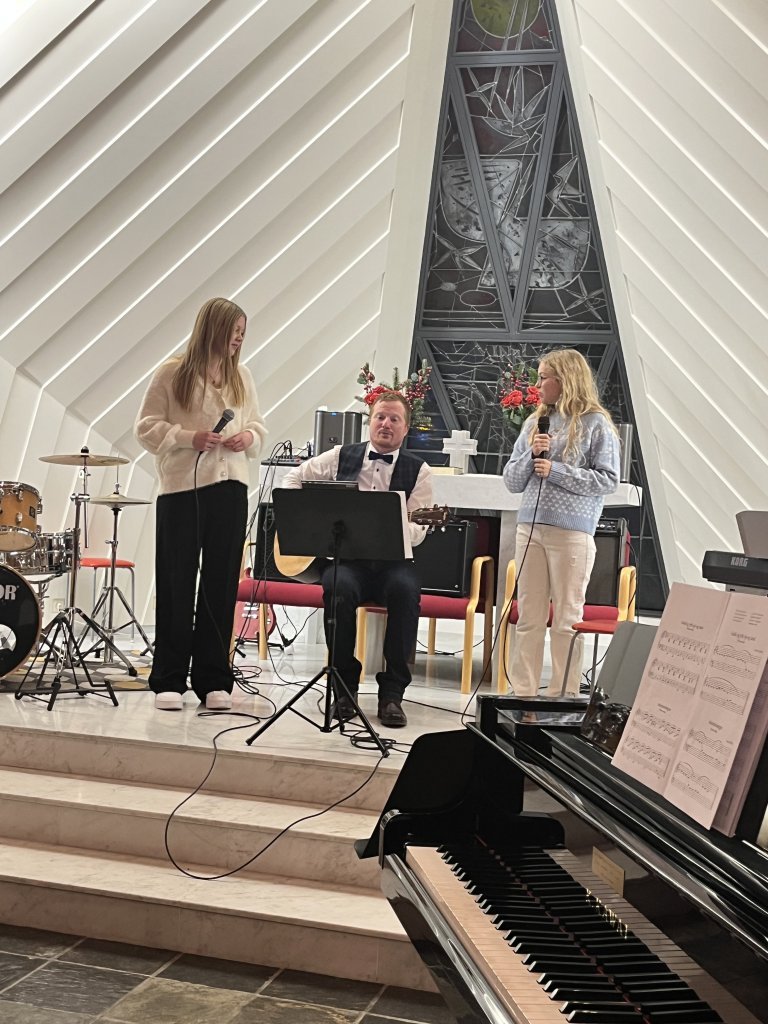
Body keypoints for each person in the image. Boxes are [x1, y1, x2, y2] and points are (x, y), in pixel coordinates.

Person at [135, 297, 267, 711]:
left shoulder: (241, 376)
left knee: (220, 585)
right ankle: (168, 678)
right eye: (234, 330)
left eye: (243, 332)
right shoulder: (172, 372)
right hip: (181, 491)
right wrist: (187, 437)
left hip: (230, 489)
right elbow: (145, 427)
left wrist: (248, 437)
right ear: (214, 328)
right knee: (176, 582)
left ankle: (213, 679)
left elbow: (257, 424)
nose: (239, 338)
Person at [281, 392, 432, 727]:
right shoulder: (340, 456)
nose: (386, 424)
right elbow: (292, 479)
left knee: (406, 592)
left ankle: (392, 695)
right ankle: (344, 689)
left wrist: (393, 527)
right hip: (349, 562)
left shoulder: (419, 471)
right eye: (380, 417)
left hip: (393, 563)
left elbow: (419, 528)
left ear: (405, 428)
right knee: (338, 586)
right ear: (370, 421)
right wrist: (306, 516)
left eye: (394, 419)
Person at [503, 348, 620, 697]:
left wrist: (556, 471)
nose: (537, 385)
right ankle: (523, 692)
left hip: (571, 533)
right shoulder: (534, 422)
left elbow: (608, 480)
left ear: (565, 379)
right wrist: (532, 454)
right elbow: (512, 481)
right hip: (530, 529)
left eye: (543, 377)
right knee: (529, 616)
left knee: (567, 618)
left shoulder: (595, 423)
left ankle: (563, 694)